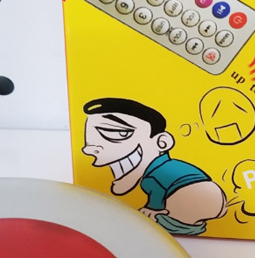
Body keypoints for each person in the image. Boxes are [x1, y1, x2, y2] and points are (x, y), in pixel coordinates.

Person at [82, 97, 226, 235]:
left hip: (192, 195)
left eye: (119, 133)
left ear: (162, 142)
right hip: (213, 197)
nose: (87, 149)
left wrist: (152, 208)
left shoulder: (152, 176)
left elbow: (158, 190)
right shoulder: (166, 167)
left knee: (160, 220)